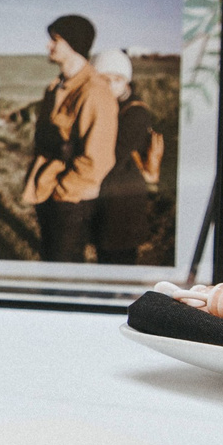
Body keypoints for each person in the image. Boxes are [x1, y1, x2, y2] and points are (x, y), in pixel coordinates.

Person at [20, 13, 116, 264]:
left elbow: (98, 159)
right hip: (49, 188)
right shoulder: (56, 87)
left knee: (65, 265)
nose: (48, 45)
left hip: (72, 199)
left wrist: (64, 191)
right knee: (50, 259)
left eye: (55, 39)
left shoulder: (95, 91)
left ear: (73, 44)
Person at [92, 47, 163, 266]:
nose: (111, 84)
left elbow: (115, 155)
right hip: (109, 193)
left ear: (126, 82)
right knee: (106, 253)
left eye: (117, 79)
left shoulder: (135, 112)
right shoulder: (106, 105)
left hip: (124, 195)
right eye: (104, 78)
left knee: (119, 255)